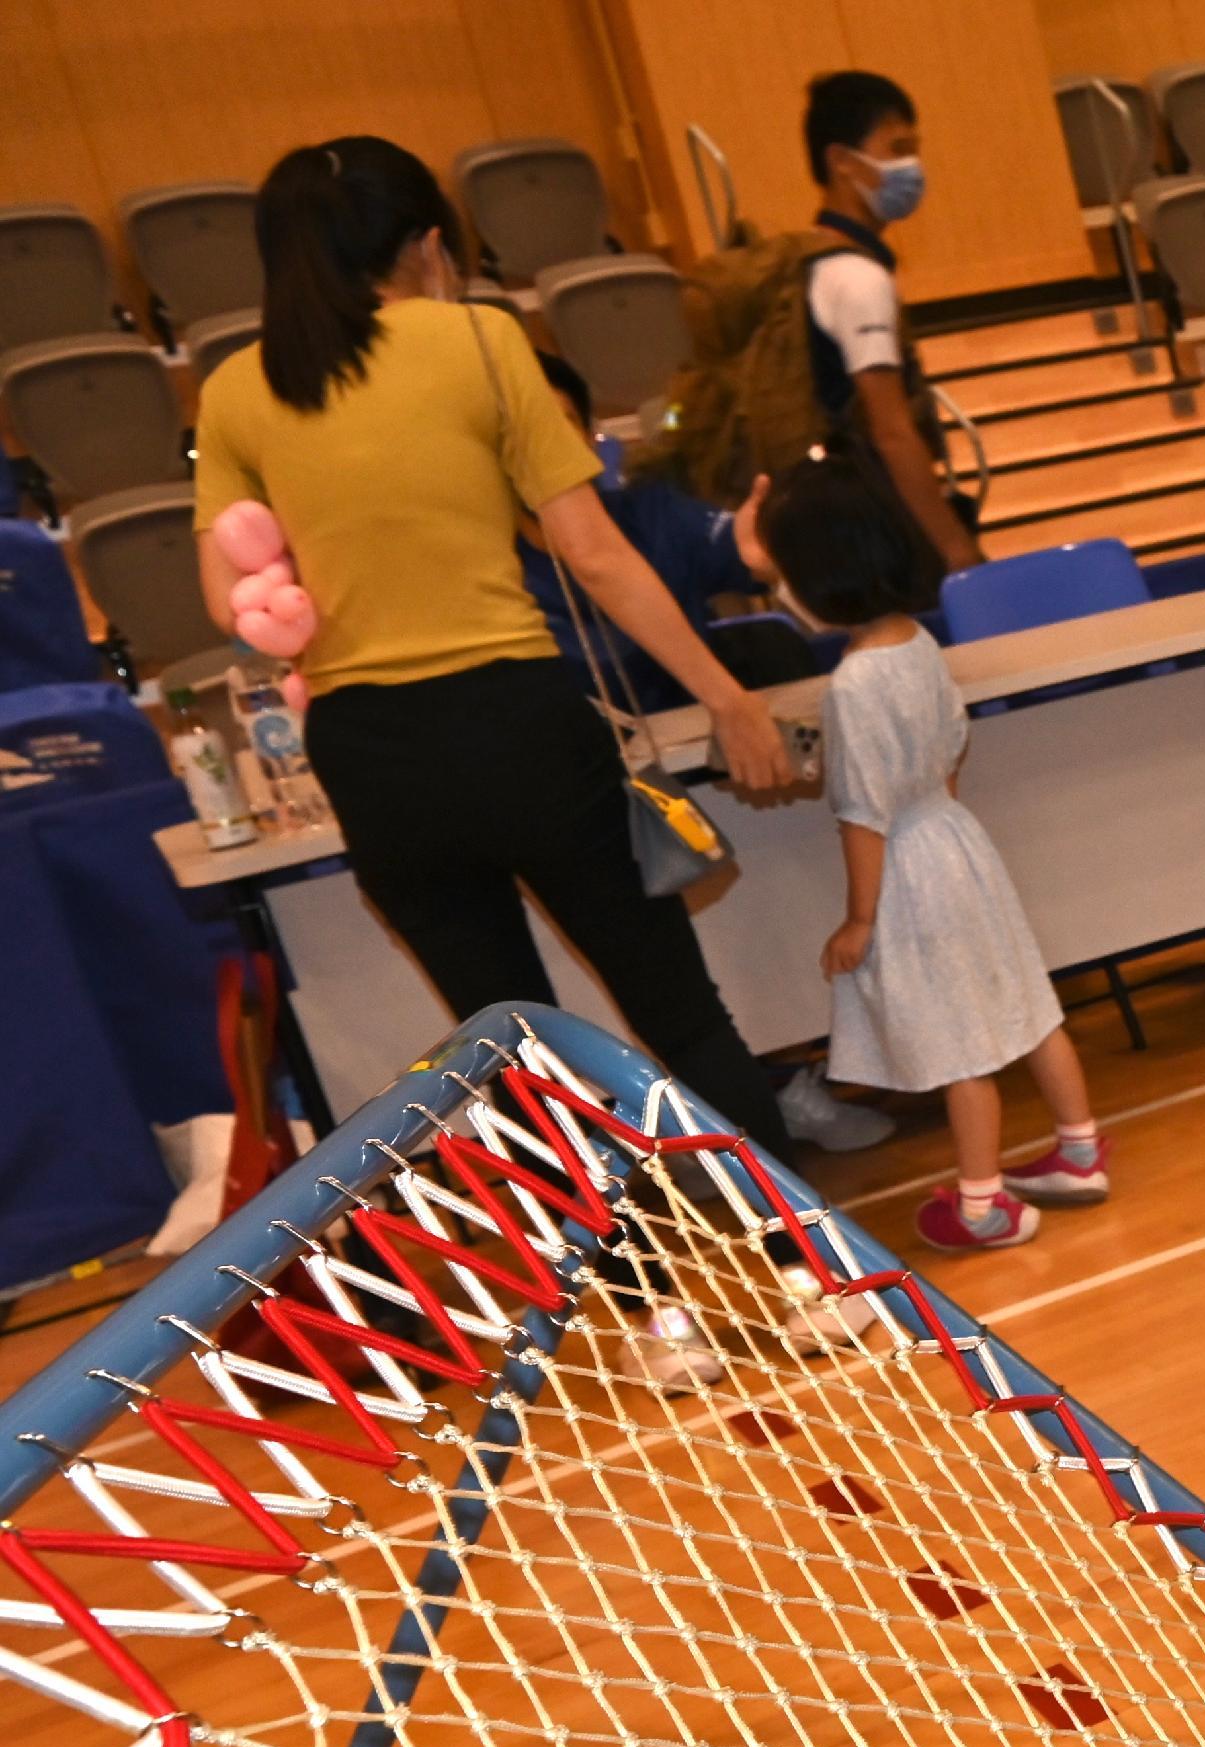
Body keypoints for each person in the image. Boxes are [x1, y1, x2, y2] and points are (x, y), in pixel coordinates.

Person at [191, 137, 806, 1158]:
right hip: (516, 723)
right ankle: (802, 1262)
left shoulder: (236, 389)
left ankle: (631, 1291)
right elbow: (593, 554)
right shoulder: (477, 340)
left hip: (371, 754)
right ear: (429, 245)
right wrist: (727, 697)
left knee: (513, 1053)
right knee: (675, 1007)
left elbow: (229, 594)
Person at [756, 459, 1105, 1253]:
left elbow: (861, 816)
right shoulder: (916, 641)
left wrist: (858, 919)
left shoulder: (851, 684)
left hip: (909, 869)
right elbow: (949, 751)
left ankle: (981, 1205)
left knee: (959, 1045)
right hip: (957, 839)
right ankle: (1080, 1149)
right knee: (1026, 1003)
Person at [523, 353, 823, 711]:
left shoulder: (653, 513)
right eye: (525, 433)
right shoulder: (480, 565)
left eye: (560, 427)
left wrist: (769, 550)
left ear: (590, 439)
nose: (546, 450)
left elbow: (743, 549)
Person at [803, 69, 979, 570]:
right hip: (876, 531)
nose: (912, 166)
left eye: (914, 148)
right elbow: (891, 431)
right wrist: (955, 549)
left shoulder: (818, 259)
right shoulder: (857, 278)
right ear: (841, 161)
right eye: (895, 148)